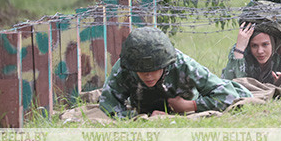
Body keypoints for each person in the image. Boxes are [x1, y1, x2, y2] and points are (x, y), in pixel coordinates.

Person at [99, 27, 251, 118]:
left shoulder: (183, 64)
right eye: (143, 71)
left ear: (166, 64)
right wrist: (141, 117)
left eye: (154, 69)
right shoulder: (126, 66)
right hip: (142, 108)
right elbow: (107, 104)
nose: (149, 75)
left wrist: (191, 106)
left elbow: (228, 94)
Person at [221, 2, 281, 85]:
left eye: (265, 44)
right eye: (254, 45)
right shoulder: (240, 50)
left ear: (274, 43)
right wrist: (239, 51)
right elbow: (228, 84)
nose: (260, 51)